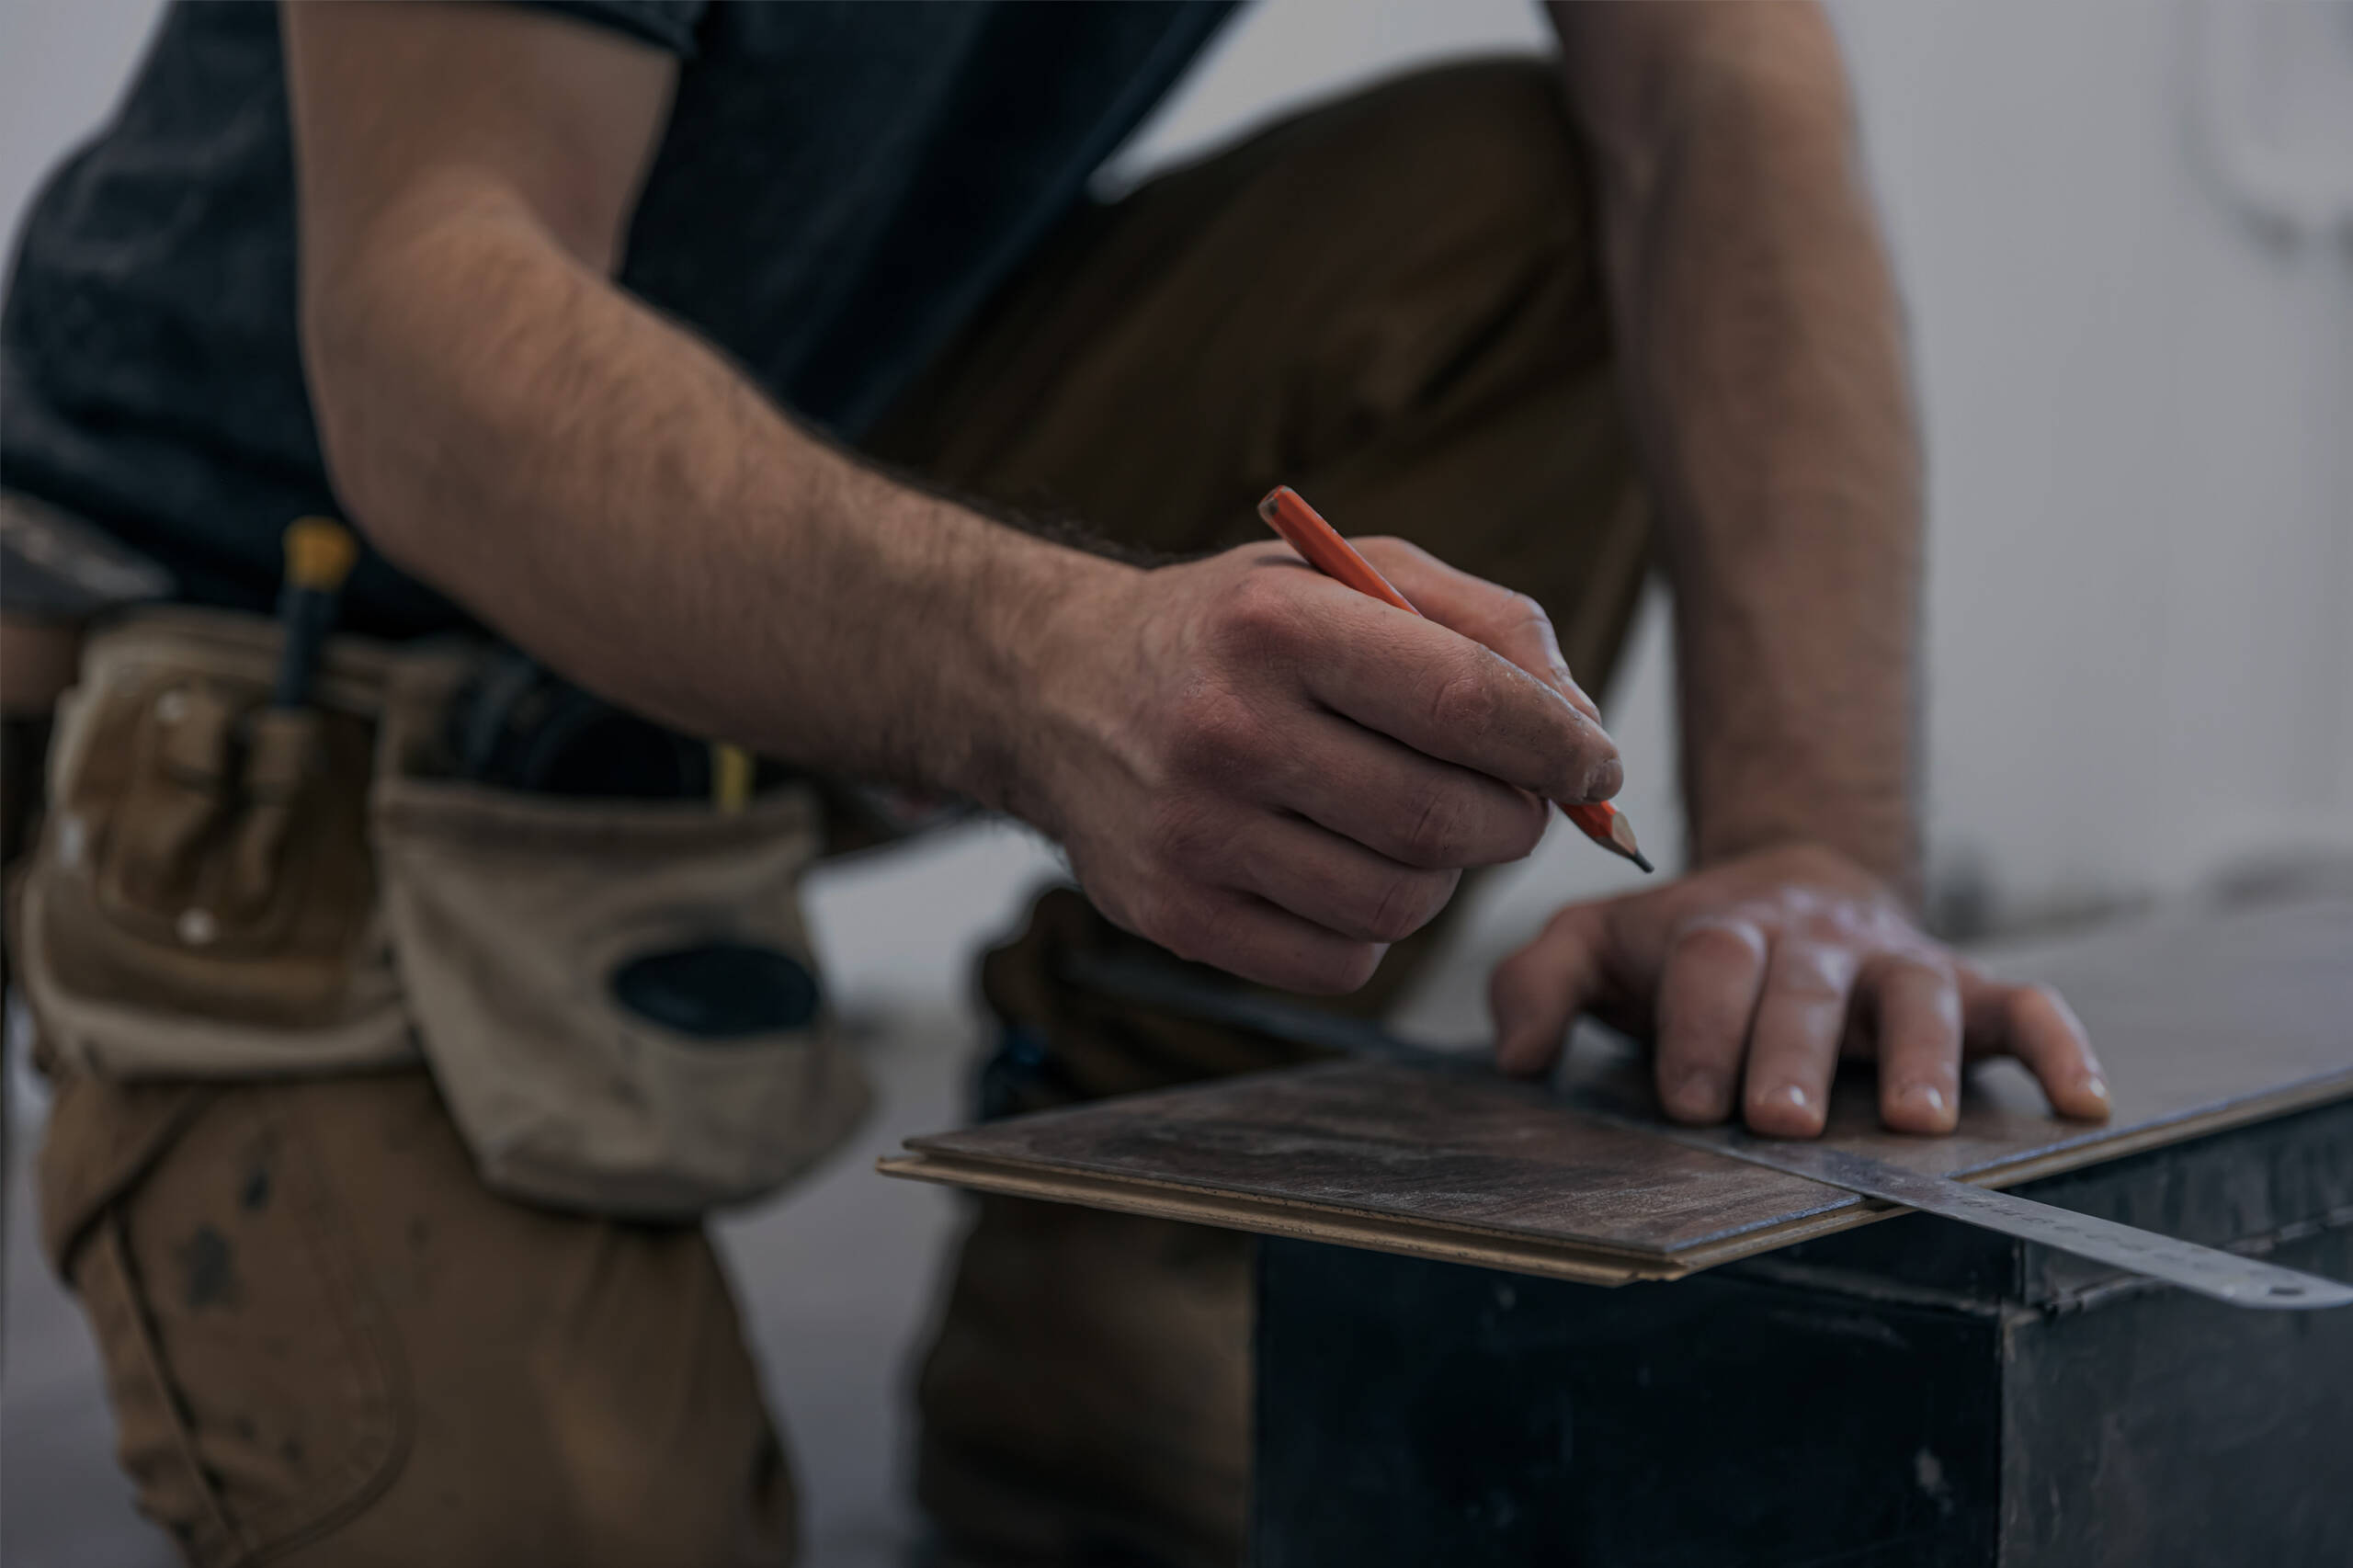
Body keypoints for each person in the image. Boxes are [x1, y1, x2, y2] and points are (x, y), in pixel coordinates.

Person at [0, 3, 2111, 1564]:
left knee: (1524, 227)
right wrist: (1046, 664)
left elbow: (1716, 99)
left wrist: (1813, 852)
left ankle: (1113, 1250)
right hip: (254, 645)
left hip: (783, 469)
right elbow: (422, 316)